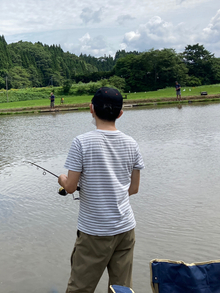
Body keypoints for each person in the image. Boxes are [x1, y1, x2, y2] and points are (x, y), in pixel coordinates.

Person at [58, 87, 144, 293]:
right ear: (120, 113)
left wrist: (62, 179)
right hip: (125, 229)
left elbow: (70, 187)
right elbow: (134, 188)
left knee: (80, 288)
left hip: (94, 232)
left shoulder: (81, 142)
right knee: (122, 289)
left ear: (91, 109)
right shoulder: (132, 143)